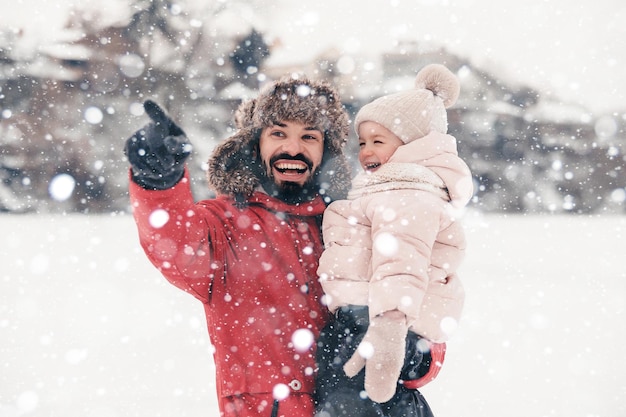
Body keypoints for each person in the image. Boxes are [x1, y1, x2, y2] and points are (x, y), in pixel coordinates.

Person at [123, 75, 352, 417]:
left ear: (326, 150)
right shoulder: (224, 224)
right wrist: (158, 182)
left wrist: (421, 358)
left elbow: (421, 312)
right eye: (278, 133)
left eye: (309, 136)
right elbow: (176, 242)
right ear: (254, 143)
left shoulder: (352, 225)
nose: (292, 148)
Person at [314, 64, 474, 417]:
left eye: (379, 141)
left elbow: (401, 263)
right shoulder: (394, 190)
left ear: (412, 145)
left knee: (352, 400)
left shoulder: (406, 194)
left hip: (382, 323)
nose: (366, 151)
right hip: (373, 320)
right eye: (363, 142)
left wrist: (388, 328)